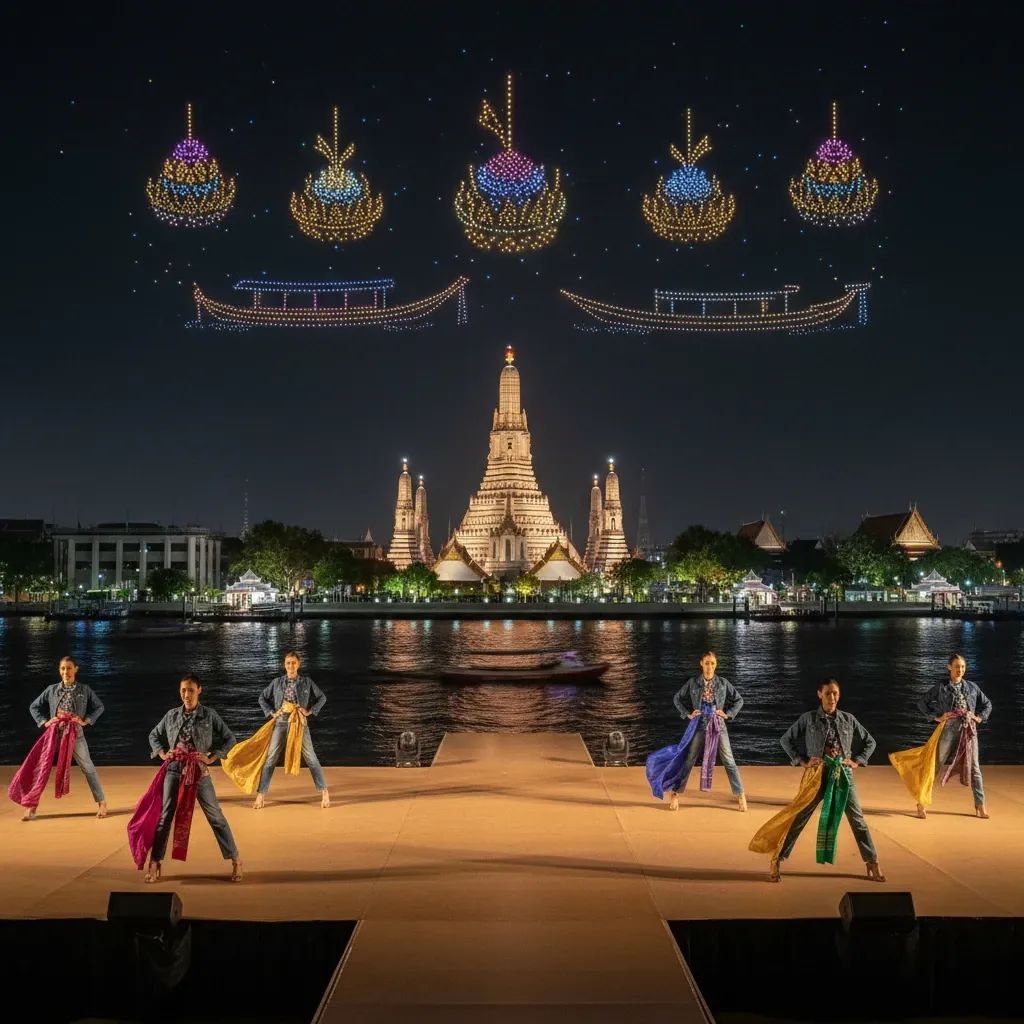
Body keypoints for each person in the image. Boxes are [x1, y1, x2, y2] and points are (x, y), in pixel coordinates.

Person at [749, 679, 886, 884]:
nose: (832, 698)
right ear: (819, 694)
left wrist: (857, 761)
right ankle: (777, 859)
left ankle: (872, 862)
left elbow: (870, 741)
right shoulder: (809, 719)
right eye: (828, 693)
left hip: (842, 775)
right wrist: (802, 761)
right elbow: (786, 740)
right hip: (816, 775)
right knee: (798, 819)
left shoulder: (848, 719)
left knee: (858, 820)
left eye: (835, 694)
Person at [129, 674, 242, 883]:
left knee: (215, 816)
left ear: (199, 690)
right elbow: (153, 735)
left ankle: (235, 859)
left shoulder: (209, 715)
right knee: (165, 817)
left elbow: (229, 738)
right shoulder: (172, 715)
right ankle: (155, 862)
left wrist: (212, 757)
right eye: (183, 690)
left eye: (190, 690)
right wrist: (162, 753)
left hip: (198, 770)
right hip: (173, 769)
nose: (186, 695)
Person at [647, 650, 747, 812]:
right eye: (707, 663)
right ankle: (676, 793)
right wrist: (687, 713)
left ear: (716, 665)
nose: (709, 667)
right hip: (699, 724)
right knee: (689, 760)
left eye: (712, 663)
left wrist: (728, 714)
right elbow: (677, 698)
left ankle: (740, 793)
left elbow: (739, 700)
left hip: (718, 724)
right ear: (701, 664)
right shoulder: (693, 683)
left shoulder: (723, 683)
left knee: (728, 760)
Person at [10, 656, 107, 821]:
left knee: (88, 768)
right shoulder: (52, 689)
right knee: (41, 768)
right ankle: (31, 806)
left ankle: (102, 803)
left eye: (69, 668)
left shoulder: (84, 690)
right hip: (54, 734)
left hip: (75, 734)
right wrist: (45, 722)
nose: (65, 672)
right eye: (62, 668)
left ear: (75, 669)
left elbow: (99, 706)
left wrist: (86, 721)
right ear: (59, 670)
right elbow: (34, 706)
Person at [905, 653, 992, 819]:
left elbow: (987, 704)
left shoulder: (972, 687)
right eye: (957, 666)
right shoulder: (941, 687)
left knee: (974, 767)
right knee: (935, 765)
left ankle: (980, 805)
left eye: (963, 667)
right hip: (948, 729)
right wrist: (937, 717)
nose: (960, 670)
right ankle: (921, 803)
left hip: (968, 730)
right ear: (949, 667)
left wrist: (978, 717)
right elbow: (922, 703)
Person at [252, 651, 329, 809]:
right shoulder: (277, 682)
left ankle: (324, 791)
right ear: (284, 665)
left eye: (293, 663)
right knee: (271, 758)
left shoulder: (306, 682)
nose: (291, 666)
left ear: (298, 664)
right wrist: (272, 712)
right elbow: (262, 697)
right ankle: (261, 795)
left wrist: (309, 711)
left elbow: (322, 697)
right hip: (280, 722)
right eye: (288, 663)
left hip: (299, 723)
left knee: (311, 758)